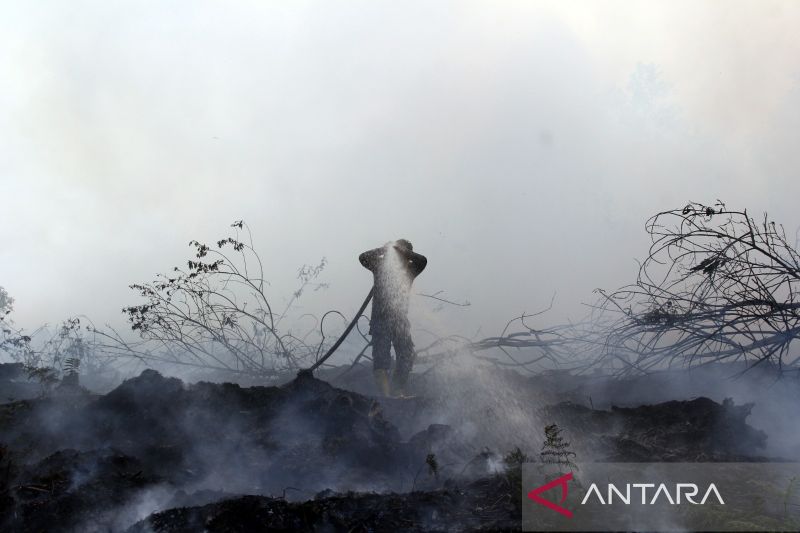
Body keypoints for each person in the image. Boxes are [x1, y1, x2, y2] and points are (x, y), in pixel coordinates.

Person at [359, 239, 427, 397]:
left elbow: (422, 260)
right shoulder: (380, 267)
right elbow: (363, 257)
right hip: (380, 321)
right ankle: (386, 396)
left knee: (406, 356)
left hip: (400, 321)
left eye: (403, 254)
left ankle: (398, 391)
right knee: (381, 360)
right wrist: (384, 249)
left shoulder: (411, 269)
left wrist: (400, 250)